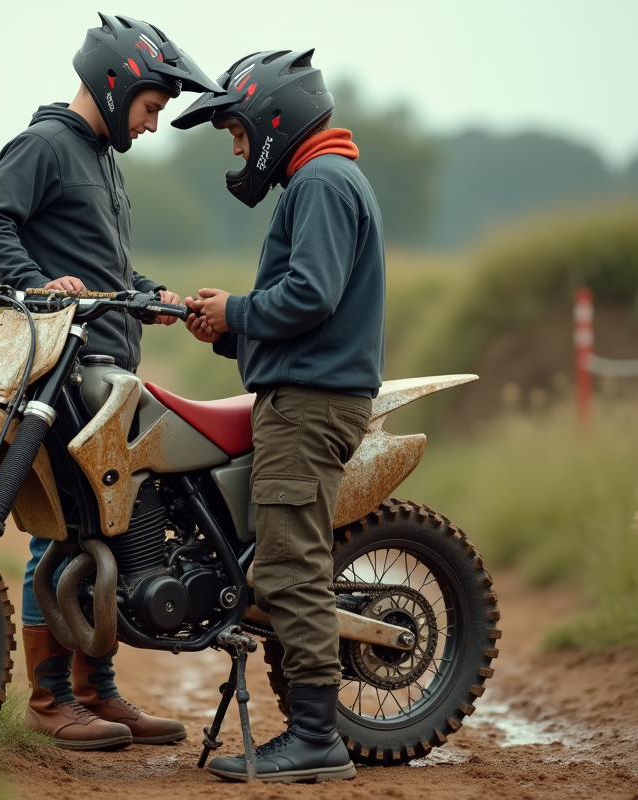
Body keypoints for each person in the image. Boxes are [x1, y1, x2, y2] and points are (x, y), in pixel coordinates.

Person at [0, 13, 222, 751]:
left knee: (108, 527)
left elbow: (103, 271)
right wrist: (40, 285)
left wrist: (151, 296)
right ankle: (48, 702)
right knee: (61, 533)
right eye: (150, 107)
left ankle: (96, 693)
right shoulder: (46, 145)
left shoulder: (103, 158)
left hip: (108, 375)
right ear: (115, 86)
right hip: (62, 378)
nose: (153, 123)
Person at [172, 49, 386, 783]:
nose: (236, 148)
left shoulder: (321, 182)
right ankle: (307, 723)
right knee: (280, 557)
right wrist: (228, 327)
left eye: (236, 130)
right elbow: (303, 307)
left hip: (311, 404)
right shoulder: (319, 178)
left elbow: (312, 295)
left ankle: (316, 738)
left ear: (271, 118)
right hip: (303, 394)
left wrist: (235, 308)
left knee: (293, 567)